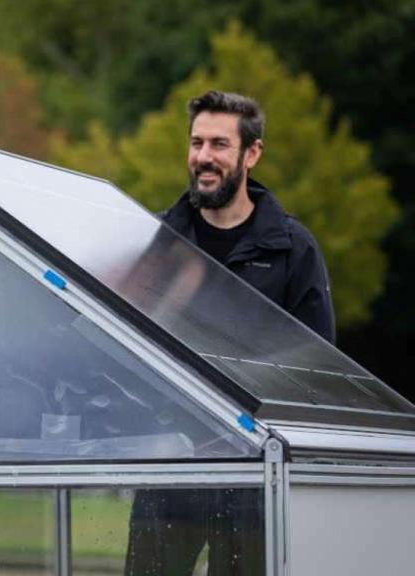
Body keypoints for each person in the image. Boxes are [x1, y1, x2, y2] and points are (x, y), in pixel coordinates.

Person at [123, 91, 335, 576]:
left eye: (219, 144)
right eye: (196, 142)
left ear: (251, 153)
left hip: (255, 474)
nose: (204, 157)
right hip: (169, 465)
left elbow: (319, 368)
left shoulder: (291, 249)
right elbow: (127, 342)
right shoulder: (158, 239)